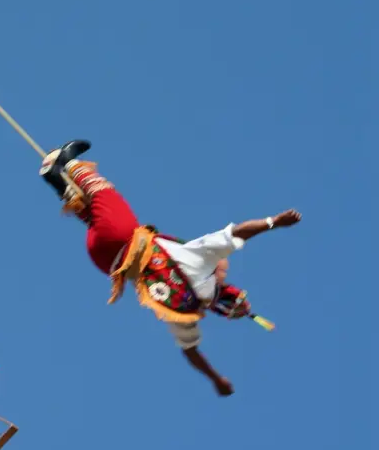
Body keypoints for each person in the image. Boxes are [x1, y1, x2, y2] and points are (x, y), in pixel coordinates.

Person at [38, 140, 301, 396]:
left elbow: (238, 233)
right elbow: (191, 353)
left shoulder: (202, 260)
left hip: (122, 238)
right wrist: (215, 379)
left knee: (103, 193)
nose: (225, 269)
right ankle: (56, 179)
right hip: (105, 260)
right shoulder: (186, 311)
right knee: (92, 210)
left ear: (222, 284)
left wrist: (274, 221)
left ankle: (67, 161)